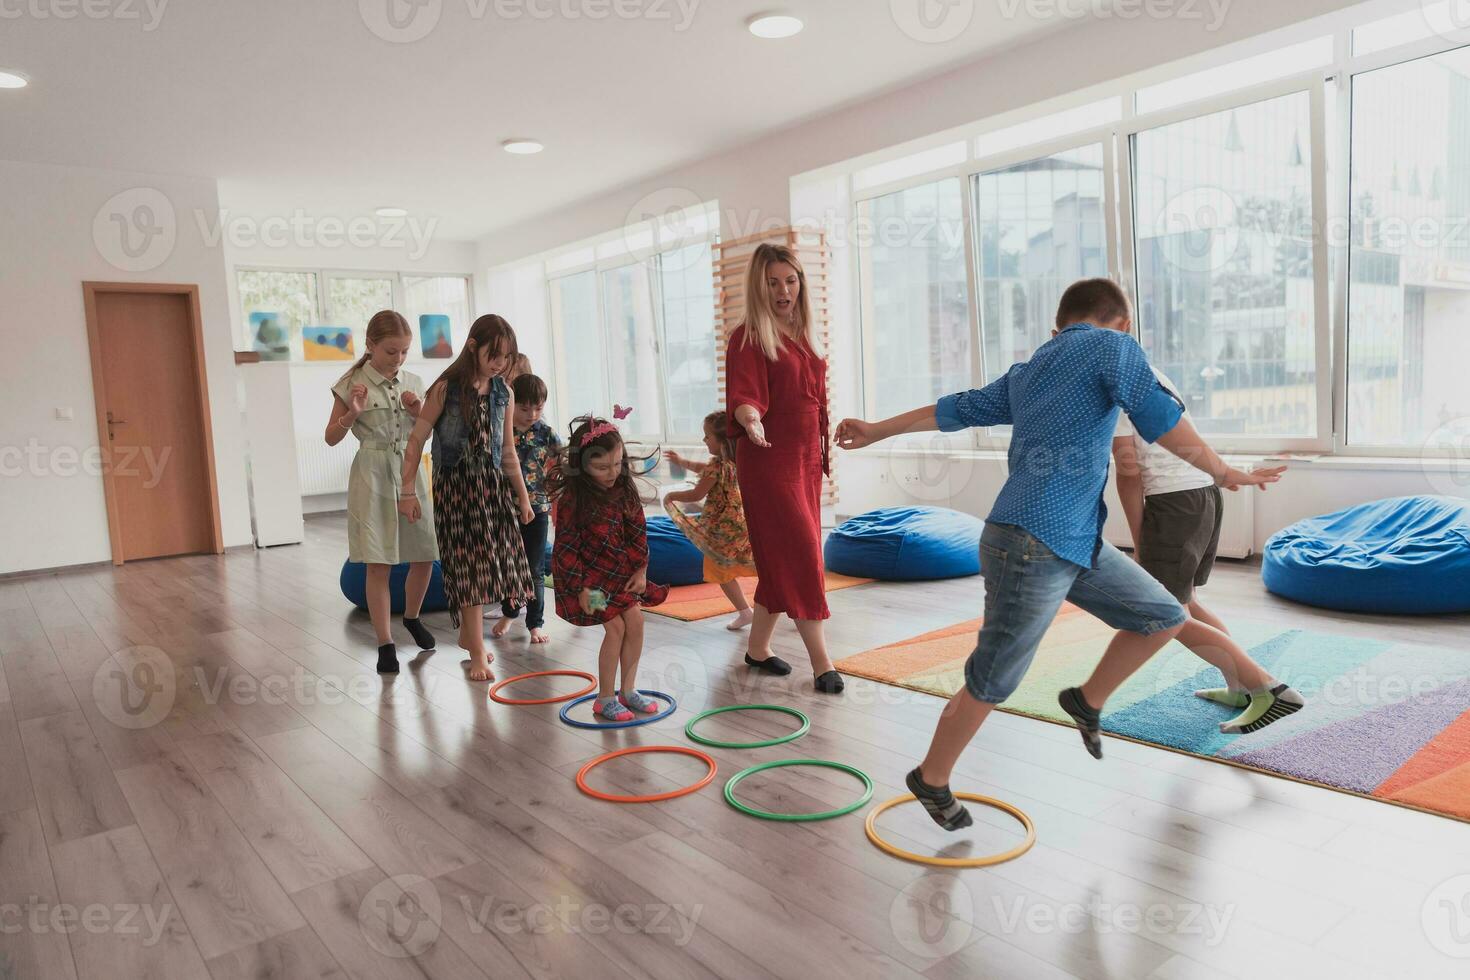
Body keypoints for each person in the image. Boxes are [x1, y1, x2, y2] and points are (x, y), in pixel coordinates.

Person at [835, 278, 1286, 830]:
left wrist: (876, 430)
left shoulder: (1030, 370)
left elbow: (953, 410)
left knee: (1164, 615)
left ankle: (1087, 700)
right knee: (994, 679)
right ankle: (930, 778)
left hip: (1071, 539)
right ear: (1120, 322)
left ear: (1061, 324)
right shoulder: (1112, 347)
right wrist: (1222, 471)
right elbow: (1160, 419)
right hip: (1033, 542)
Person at [1112, 358, 1304, 733]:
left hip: (1175, 502)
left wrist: (1140, 542)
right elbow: (1185, 443)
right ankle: (1239, 687)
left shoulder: (1115, 387)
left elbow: (1128, 471)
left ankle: (1267, 689)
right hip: (1202, 493)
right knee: (1188, 603)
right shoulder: (1152, 374)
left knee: (1166, 612)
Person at [725, 243, 843, 693]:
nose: (783, 290)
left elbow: (811, 394)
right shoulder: (749, 337)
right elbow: (744, 395)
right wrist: (751, 420)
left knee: (780, 560)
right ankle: (822, 663)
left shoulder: (803, 331)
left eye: (790, 280)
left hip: (803, 460)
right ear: (759, 286)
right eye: (773, 282)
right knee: (802, 554)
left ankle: (757, 651)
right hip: (768, 458)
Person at [398, 314, 536, 682]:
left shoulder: (503, 393)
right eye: (494, 354)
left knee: (498, 564)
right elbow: (417, 440)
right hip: (456, 488)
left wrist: (522, 498)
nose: (499, 363)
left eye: (506, 357)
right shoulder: (445, 388)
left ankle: (468, 634)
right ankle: (476, 648)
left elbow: (507, 450)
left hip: (491, 488)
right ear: (473, 346)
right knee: (468, 567)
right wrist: (407, 491)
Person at [325, 310, 438, 675]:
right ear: (371, 345)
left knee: (424, 553)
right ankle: (385, 643)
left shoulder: (415, 381)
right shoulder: (351, 383)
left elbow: (426, 432)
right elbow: (330, 438)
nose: (398, 359)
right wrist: (352, 413)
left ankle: (413, 617)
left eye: (404, 351)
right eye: (391, 351)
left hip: (410, 471)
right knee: (379, 562)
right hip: (372, 473)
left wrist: (420, 410)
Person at [549, 416, 669, 721]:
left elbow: (638, 531)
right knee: (615, 628)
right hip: (587, 580)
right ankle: (604, 698)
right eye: (602, 468)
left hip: (618, 574)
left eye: (617, 464)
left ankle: (628, 691)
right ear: (582, 465)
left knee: (637, 622)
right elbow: (565, 548)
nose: (612, 472)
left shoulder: (624, 490)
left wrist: (641, 570)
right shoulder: (572, 500)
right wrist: (582, 589)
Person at [664, 410, 758, 631]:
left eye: (707, 436)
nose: (704, 439)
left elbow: (696, 495)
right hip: (742, 524)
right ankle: (785, 603)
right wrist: (682, 461)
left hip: (723, 529)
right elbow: (704, 470)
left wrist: (672, 496)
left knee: (719, 569)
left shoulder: (717, 466)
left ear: (722, 440)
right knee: (754, 565)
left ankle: (745, 612)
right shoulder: (736, 462)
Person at [493, 373, 561, 644]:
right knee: (508, 564)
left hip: (538, 508)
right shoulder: (501, 430)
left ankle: (535, 622)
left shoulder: (545, 432)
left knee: (534, 568)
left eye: (538, 408)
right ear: (512, 405)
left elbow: (564, 460)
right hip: (504, 508)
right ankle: (510, 612)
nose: (532, 414)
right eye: (524, 408)